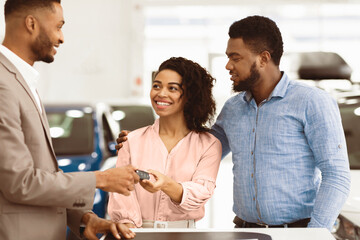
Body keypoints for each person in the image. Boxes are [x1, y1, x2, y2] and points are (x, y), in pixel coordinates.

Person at [116, 16, 351, 231]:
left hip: (297, 230)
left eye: (235, 58)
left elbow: (337, 175)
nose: (228, 66)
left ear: (263, 58)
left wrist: (315, 234)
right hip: (244, 229)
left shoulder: (312, 102)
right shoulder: (234, 107)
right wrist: (137, 143)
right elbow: (198, 148)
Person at [0, 1, 139, 239]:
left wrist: (84, 220)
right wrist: (100, 179)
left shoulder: (21, 81)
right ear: (31, 24)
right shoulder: (3, 84)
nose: (61, 38)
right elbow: (19, 182)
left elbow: (41, 176)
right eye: (58, 27)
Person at [108, 57, 222, 228]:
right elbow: (122, 194)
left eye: (172, 88)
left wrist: (167, 184)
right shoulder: (132, 141)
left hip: (185, 235)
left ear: (191, 96)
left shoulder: (209, 145)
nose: (161, 93)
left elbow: (201, 192)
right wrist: (129, 228)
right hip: (138, 235)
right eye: (156, 85)